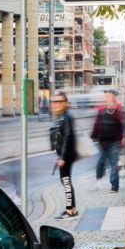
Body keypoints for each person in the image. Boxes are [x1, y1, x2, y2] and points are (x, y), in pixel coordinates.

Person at [90, 90, 125, 193]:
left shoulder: (119, 111)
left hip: (115, 142)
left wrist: (124, 137)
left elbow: (124, 125)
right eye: (105, 96)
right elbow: (97, 125)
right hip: (103, 142)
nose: (106, 98)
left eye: (108, 96)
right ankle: (98, 182)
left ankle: (114, 186)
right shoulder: (101, 111)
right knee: (100, 163)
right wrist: (93, 136)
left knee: (114, 164)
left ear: (113, 98)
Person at [51, 92, 79, 220]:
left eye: (59, 101)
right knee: (66, 182)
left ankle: (69, 212)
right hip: (64, 155)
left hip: (66, 157)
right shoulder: (62, 116)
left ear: (65, 103)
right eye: (54, 101)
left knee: (66, 182)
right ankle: (72, 209)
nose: (56, 104)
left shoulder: (66, 117)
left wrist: (62, 157)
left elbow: (68, 138)